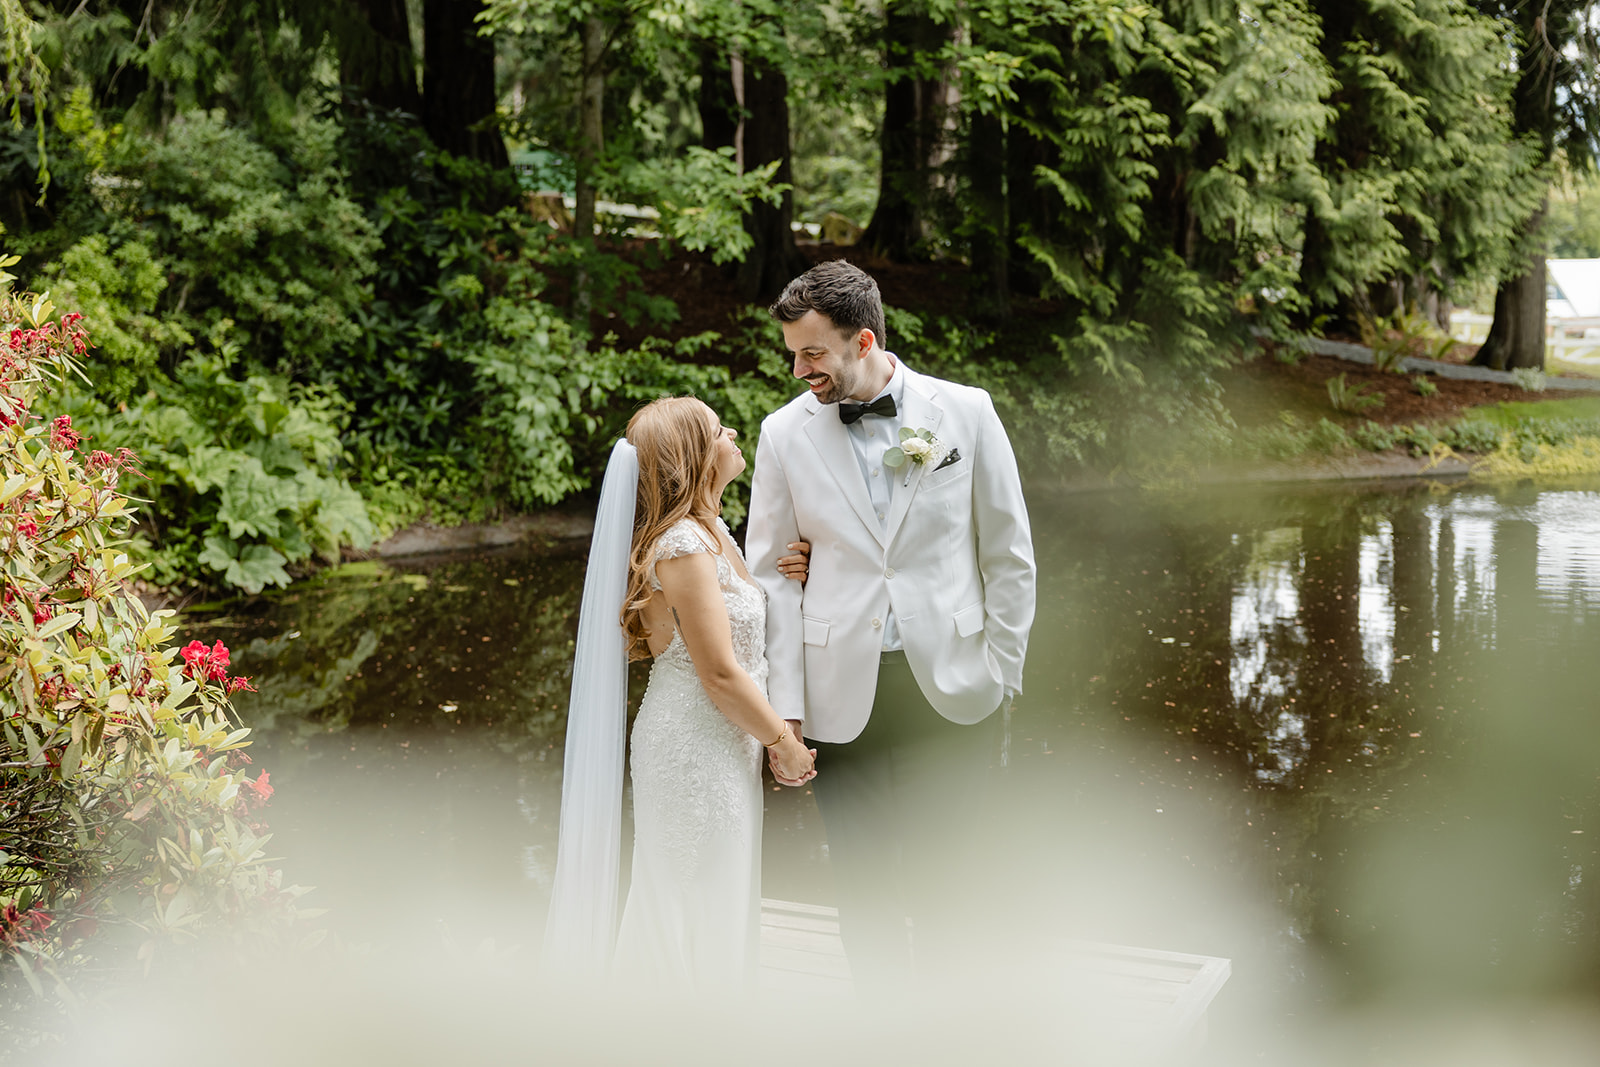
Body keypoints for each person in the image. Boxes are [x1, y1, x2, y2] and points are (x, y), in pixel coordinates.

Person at [745, 259, 1036, 987]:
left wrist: (1004, 668)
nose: (798, 369)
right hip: (843, 691)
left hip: (955, 685)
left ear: (864, 340)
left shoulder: (965, 412)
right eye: (791, 353)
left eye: (812, 353)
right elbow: (769, 581)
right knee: (863, 888)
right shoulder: (782, 436)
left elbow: (1009, 551)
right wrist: (786, 712)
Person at [543, 397, 815, 989]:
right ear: (694, 455)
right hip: (693, 743)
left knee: (716, 888)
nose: (735, 432)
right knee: (687, 892)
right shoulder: (683, 546)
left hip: (722, 738)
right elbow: (718, 671)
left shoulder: (711, 531)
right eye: (721, 431)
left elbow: (745, 631)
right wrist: (782, 742)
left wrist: (802, 567)